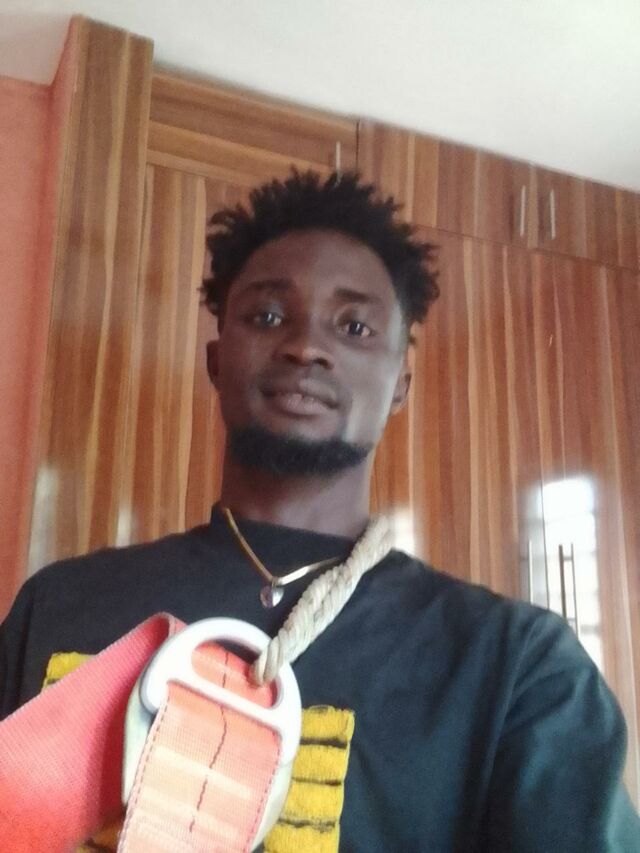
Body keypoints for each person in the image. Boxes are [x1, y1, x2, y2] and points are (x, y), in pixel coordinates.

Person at [1, 170, 638, 851]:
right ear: (217, 359)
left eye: (354, 326)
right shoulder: (59, 605)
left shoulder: (518, 668)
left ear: (400, 383)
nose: (305, 346)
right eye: (268, 316)